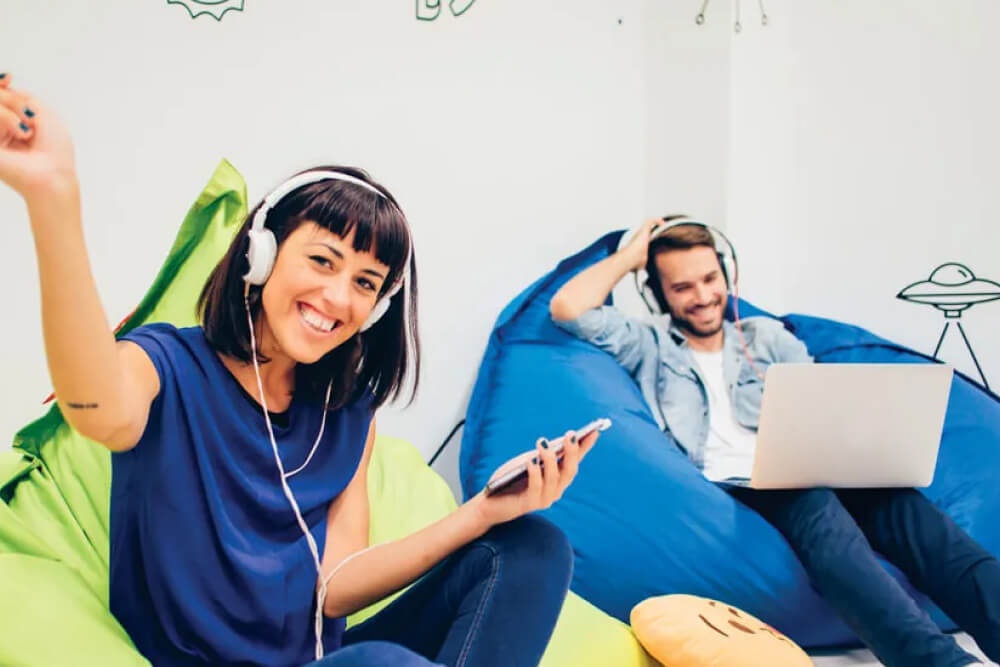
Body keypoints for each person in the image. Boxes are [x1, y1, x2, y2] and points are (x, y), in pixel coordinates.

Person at [0, 74, 600, 667]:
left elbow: (336, 586)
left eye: (365, 283)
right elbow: (95, 410)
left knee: (531, 547)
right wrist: (55, 200)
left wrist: (485, 512)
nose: (338, 298)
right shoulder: (165, 366)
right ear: (262, 256)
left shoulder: (347, 414)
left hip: (324, 660)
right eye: (321, 260)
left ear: (377, 309)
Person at [549, 217, 1000, 667]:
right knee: (818, 507)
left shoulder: (766, 338)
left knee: (911, 511)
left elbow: (821, 406)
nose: (704, 297)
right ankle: (943, 663)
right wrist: (630, 258)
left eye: (710, 279)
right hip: (737, 482)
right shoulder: (647, 343)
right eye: (683, 287)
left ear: (727, 275)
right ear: (658, 292)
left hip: (810, 460)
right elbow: (567, 308)